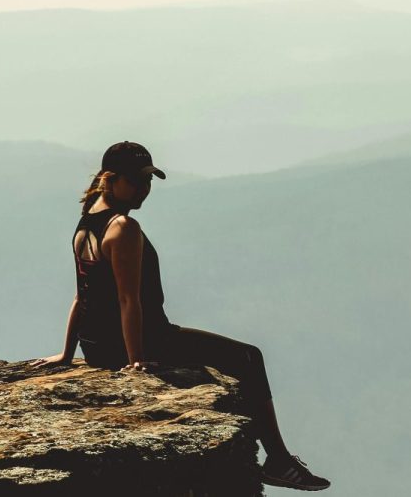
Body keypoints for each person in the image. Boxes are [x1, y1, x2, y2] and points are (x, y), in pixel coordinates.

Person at [35, 141, 331, 491]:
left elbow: (81, 295)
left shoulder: (87, 222)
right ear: (110, 179)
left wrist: (69, 353)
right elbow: (129, 300)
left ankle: (280, 460)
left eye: (148, 181)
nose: (144, 189)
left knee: (237, 356)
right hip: (145, 341)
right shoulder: (123, 228)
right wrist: (136, 360)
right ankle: (279, 460)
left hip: (97, 348)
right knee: (248, 357)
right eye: (135, 181)